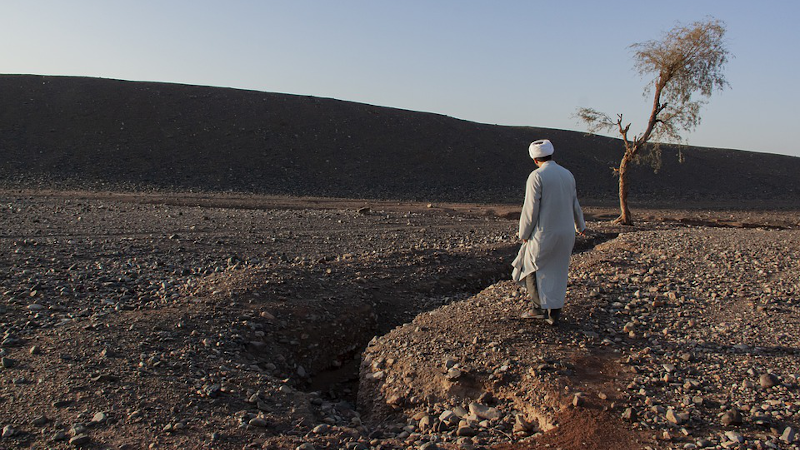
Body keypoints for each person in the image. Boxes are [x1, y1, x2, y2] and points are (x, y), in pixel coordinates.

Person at [511, 139, 586, 325]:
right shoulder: (567, 174)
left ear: (534, 159)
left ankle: (538, 308)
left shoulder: (537, 176)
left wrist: (524, 233)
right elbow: (574, 202)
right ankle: (554, 313)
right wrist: (580, 225)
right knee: (558, 271)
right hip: (567, 233)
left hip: (545, 233)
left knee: (530, 266)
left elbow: (530, 209)